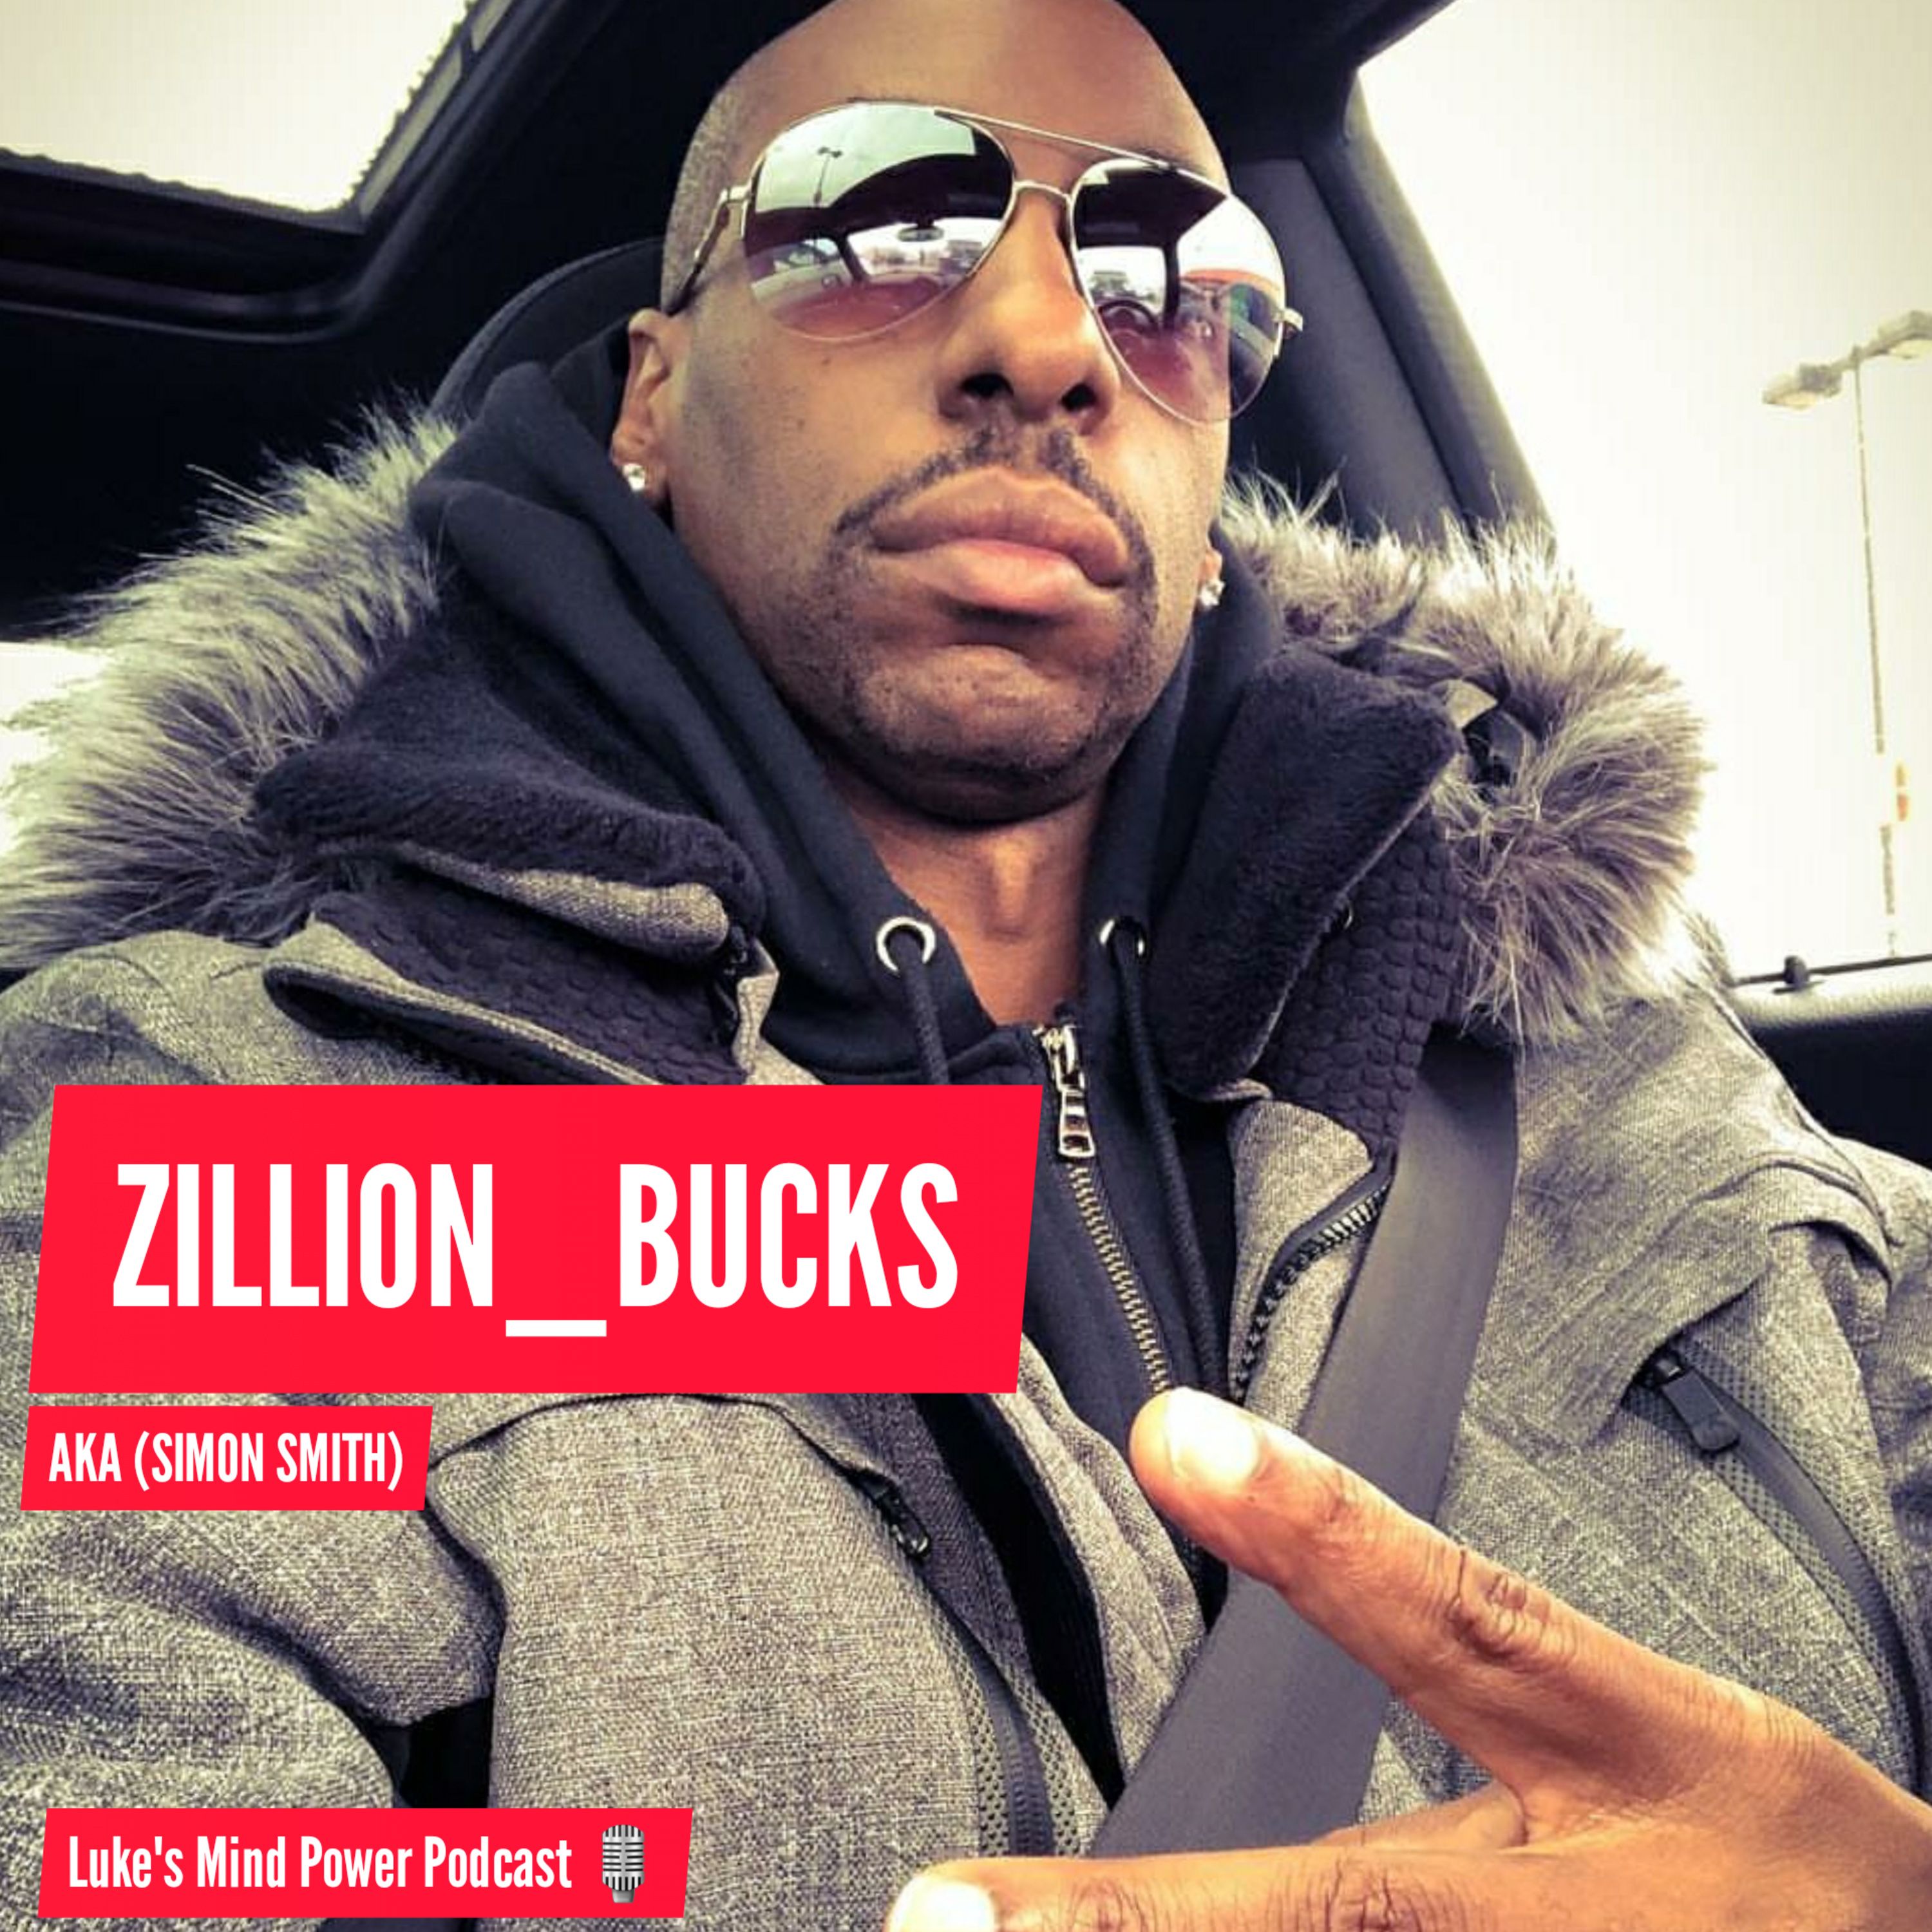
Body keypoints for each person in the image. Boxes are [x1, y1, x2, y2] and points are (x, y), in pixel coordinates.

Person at [3, 0, 1930, 1924]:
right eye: (874, 218)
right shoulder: (214, 1125)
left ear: (1215, 472)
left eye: (1167, 277)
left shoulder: (1623, 1073)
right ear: (650, 400)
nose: (1048, 336)